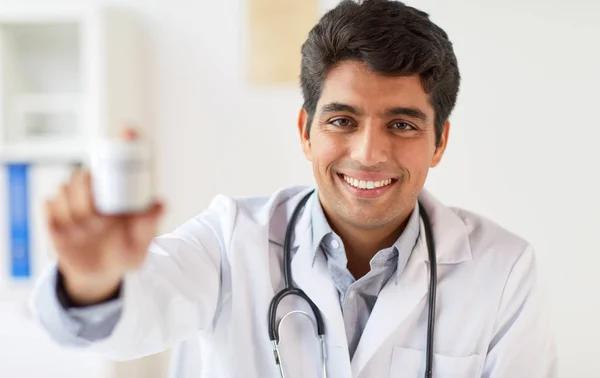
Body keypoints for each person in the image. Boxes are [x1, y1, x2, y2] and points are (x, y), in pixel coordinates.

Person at [29, 0, 557, 377]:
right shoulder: (229, 239)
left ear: (439, 141)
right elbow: (133, 318)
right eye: (342, 120)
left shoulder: (502, 270)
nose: (369, 152)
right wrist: (91, 279)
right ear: (305, 131)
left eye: (402, 124)